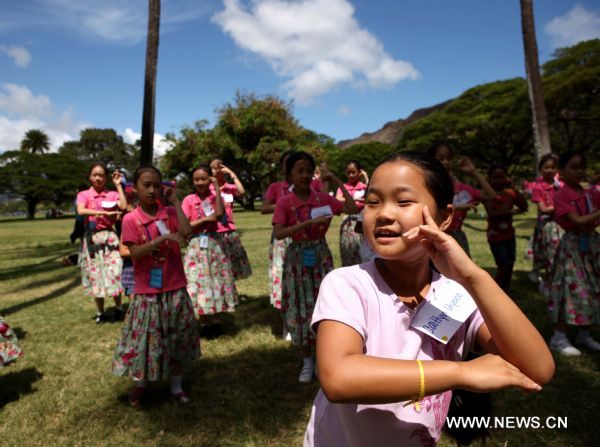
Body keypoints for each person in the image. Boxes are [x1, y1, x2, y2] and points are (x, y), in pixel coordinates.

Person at [304, 151, 554, 446]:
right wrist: (459, 372)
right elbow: (339, 377)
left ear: (444, 217)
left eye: (403, 201)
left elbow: (537, 369)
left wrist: (474, 277)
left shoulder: (454, 294)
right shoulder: (348, 284)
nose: (383, 213)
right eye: (372, 202)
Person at [111, 165, 199, 406]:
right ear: (135, 189)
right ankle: (141, 384)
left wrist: (176, 201)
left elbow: (187, 230)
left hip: (174, 287)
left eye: (156, 185)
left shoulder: (169, 213)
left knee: (177, 338)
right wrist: (162, 238)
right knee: (145, 341)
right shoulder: (131, 219)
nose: (152, 190)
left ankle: (176, 386)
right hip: (147, 291)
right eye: (146, 185)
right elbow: (134, 253)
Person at [273, 151, 359, 382]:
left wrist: (338, 182)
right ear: (290, 174)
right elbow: (279, 232)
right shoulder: (285, 202)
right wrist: (308, 224)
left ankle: (323, 359)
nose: (305, 175)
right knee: (300, 307)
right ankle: (307, 362)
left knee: (324, 306)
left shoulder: (322, 199)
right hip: (297, 258)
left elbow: (352, 209)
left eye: (308, 171)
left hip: (320, 256)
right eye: (299, 171)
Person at [548, 151, 600, 356]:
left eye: (582, 167)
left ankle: (583, 333)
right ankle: (559, 337)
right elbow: (577, 220)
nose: (579, 171)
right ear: (561, 172)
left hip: (590, 244)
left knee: (591, 286)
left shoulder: (587, 192)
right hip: (572, 247)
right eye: (574, 167)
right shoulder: (562, 194)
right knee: (571, 288)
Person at [182, 164, 238, 337]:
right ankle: (204, 321)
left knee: (216, 280)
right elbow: (185, 225)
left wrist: (217, 190)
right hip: (196, 245)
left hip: (214, 243)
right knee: (199, 281)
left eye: (204, 179)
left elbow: (220, 214)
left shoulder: (215, 197)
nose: (200, 182)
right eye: (196, 179)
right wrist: (206, 219)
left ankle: (216, 319)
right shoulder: (189, 200)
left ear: (210, 180)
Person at [76, 163, 127, 323]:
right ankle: (101, 312)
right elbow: (81, 210)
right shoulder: (84, 194)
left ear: (106, 178)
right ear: (90, 177)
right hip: (92, 238)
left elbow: (124, 206)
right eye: (95, 175)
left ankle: (119, 308)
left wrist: (118, 186)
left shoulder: (111, 194)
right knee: (95, 274)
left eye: (101, 175)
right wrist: (102, 212)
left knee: (115, 271)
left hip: (110, 236)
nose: (98, 178)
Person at [428, 143, 496, 256]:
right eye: (441, 158)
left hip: (457, 239)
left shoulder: (460, 189)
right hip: (435, 239)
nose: (446, 162)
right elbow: (429, 208)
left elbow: (492, 196)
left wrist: (473, 171)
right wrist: (458, 207)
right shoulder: (428, 186)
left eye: (449, 158)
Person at [261, 150, 295, 336]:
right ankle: (287, 324)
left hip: (304, 236)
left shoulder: (309, 186)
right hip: (282, 238)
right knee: (282, 279)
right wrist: (285, 203)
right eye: (287, 163)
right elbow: (264, 208)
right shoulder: (275, 187)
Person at [481, 165, 528, 292]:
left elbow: (524, 206)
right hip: (495, 235)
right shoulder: (488, 195)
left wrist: (514, 187)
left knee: (510, 262)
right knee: (502, 264)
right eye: (495, 177)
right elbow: (492, 214)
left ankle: (505, 289)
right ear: (489, 179)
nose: (498, 180)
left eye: (502, 177)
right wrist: (511, 212)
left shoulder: (510, 193)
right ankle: (495, 291)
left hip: (509, 234)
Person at [209, 158, 252, 280]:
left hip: (229, 230)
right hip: (215, 230)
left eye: (216, 167)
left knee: (232, 265)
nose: (213, 171)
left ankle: (230, 292)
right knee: (218, 265)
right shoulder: (209, 188)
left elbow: (242, 191)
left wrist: (232, 174)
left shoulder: (229, 187)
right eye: (211, 168)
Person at [530, 154, 564, 295]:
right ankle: (548, 282)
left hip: (560, 224)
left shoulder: (560, 185)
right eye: (546, 167)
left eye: (553, 167)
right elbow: (543, 209)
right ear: (540, 169)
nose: (550, 170)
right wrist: (563, 205)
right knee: (549, 254)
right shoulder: (538, 187)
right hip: (547, 226)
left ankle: (556, 281)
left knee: (559, 254)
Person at [336, 160, 368, 266]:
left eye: (353, 172)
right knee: (347, 252)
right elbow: (338, 200)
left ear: (359, 172)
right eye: (348, 172)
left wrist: (366, 178)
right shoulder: (343, 187)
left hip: (363, 219)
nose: (351, 175)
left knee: (364, 253)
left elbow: (372, 197)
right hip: (348, 222)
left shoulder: (364, 187)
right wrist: (358, 200)